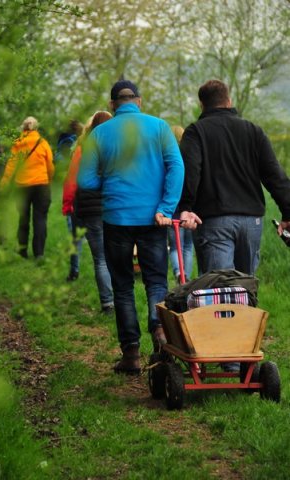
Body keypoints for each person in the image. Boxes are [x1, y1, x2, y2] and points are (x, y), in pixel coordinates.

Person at [179, 79, 290, 371]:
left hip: (215, 221)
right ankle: (242, 354)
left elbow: (191, 172)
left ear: (202, 104)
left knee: (219, 292)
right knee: (244, 288)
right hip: (251, 222)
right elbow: (275, 175)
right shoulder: (253, 131)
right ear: (228, 100)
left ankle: (229, 363)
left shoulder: (197, 132)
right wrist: (288, 212)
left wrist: (186, 207)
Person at [78, 79, 184, 374]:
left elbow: (85, 181)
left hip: (116, 219)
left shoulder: (99, 133)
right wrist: (166, 206)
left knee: (123, 287)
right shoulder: (160, 128)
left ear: (112, 105)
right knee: (156, 283)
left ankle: (131, 355)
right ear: (139, 101)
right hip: (153, 219)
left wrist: (109, 183)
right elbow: (177, 166)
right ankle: (160, 335)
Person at [62, 111, 114, 314]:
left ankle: (108, 303)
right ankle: (122, 299)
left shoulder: (83, 148)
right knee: (116, 256)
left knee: (100, 258)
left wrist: (68, 204)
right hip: (115, 206)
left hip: (91, 209)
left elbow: (72, 179)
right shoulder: (119, 147)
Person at [0, 116, 54, 260]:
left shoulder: (18, 143)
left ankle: (22, 251)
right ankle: (39, 254)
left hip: (22, 186)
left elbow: (11, 166)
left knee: (23, 219)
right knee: (40, 219)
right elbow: (50, 165)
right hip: (41, 186)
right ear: (36, 128)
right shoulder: (43, 143)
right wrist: (49, 179)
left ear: (23, 127)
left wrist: (4, 183)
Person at [168, 126, 194, 282]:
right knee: (188, 246)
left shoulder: (168, 156)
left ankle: (179, 273)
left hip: (173, 207)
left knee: (175, 246)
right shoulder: (190, 155)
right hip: (189, 207)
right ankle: (187, 277)